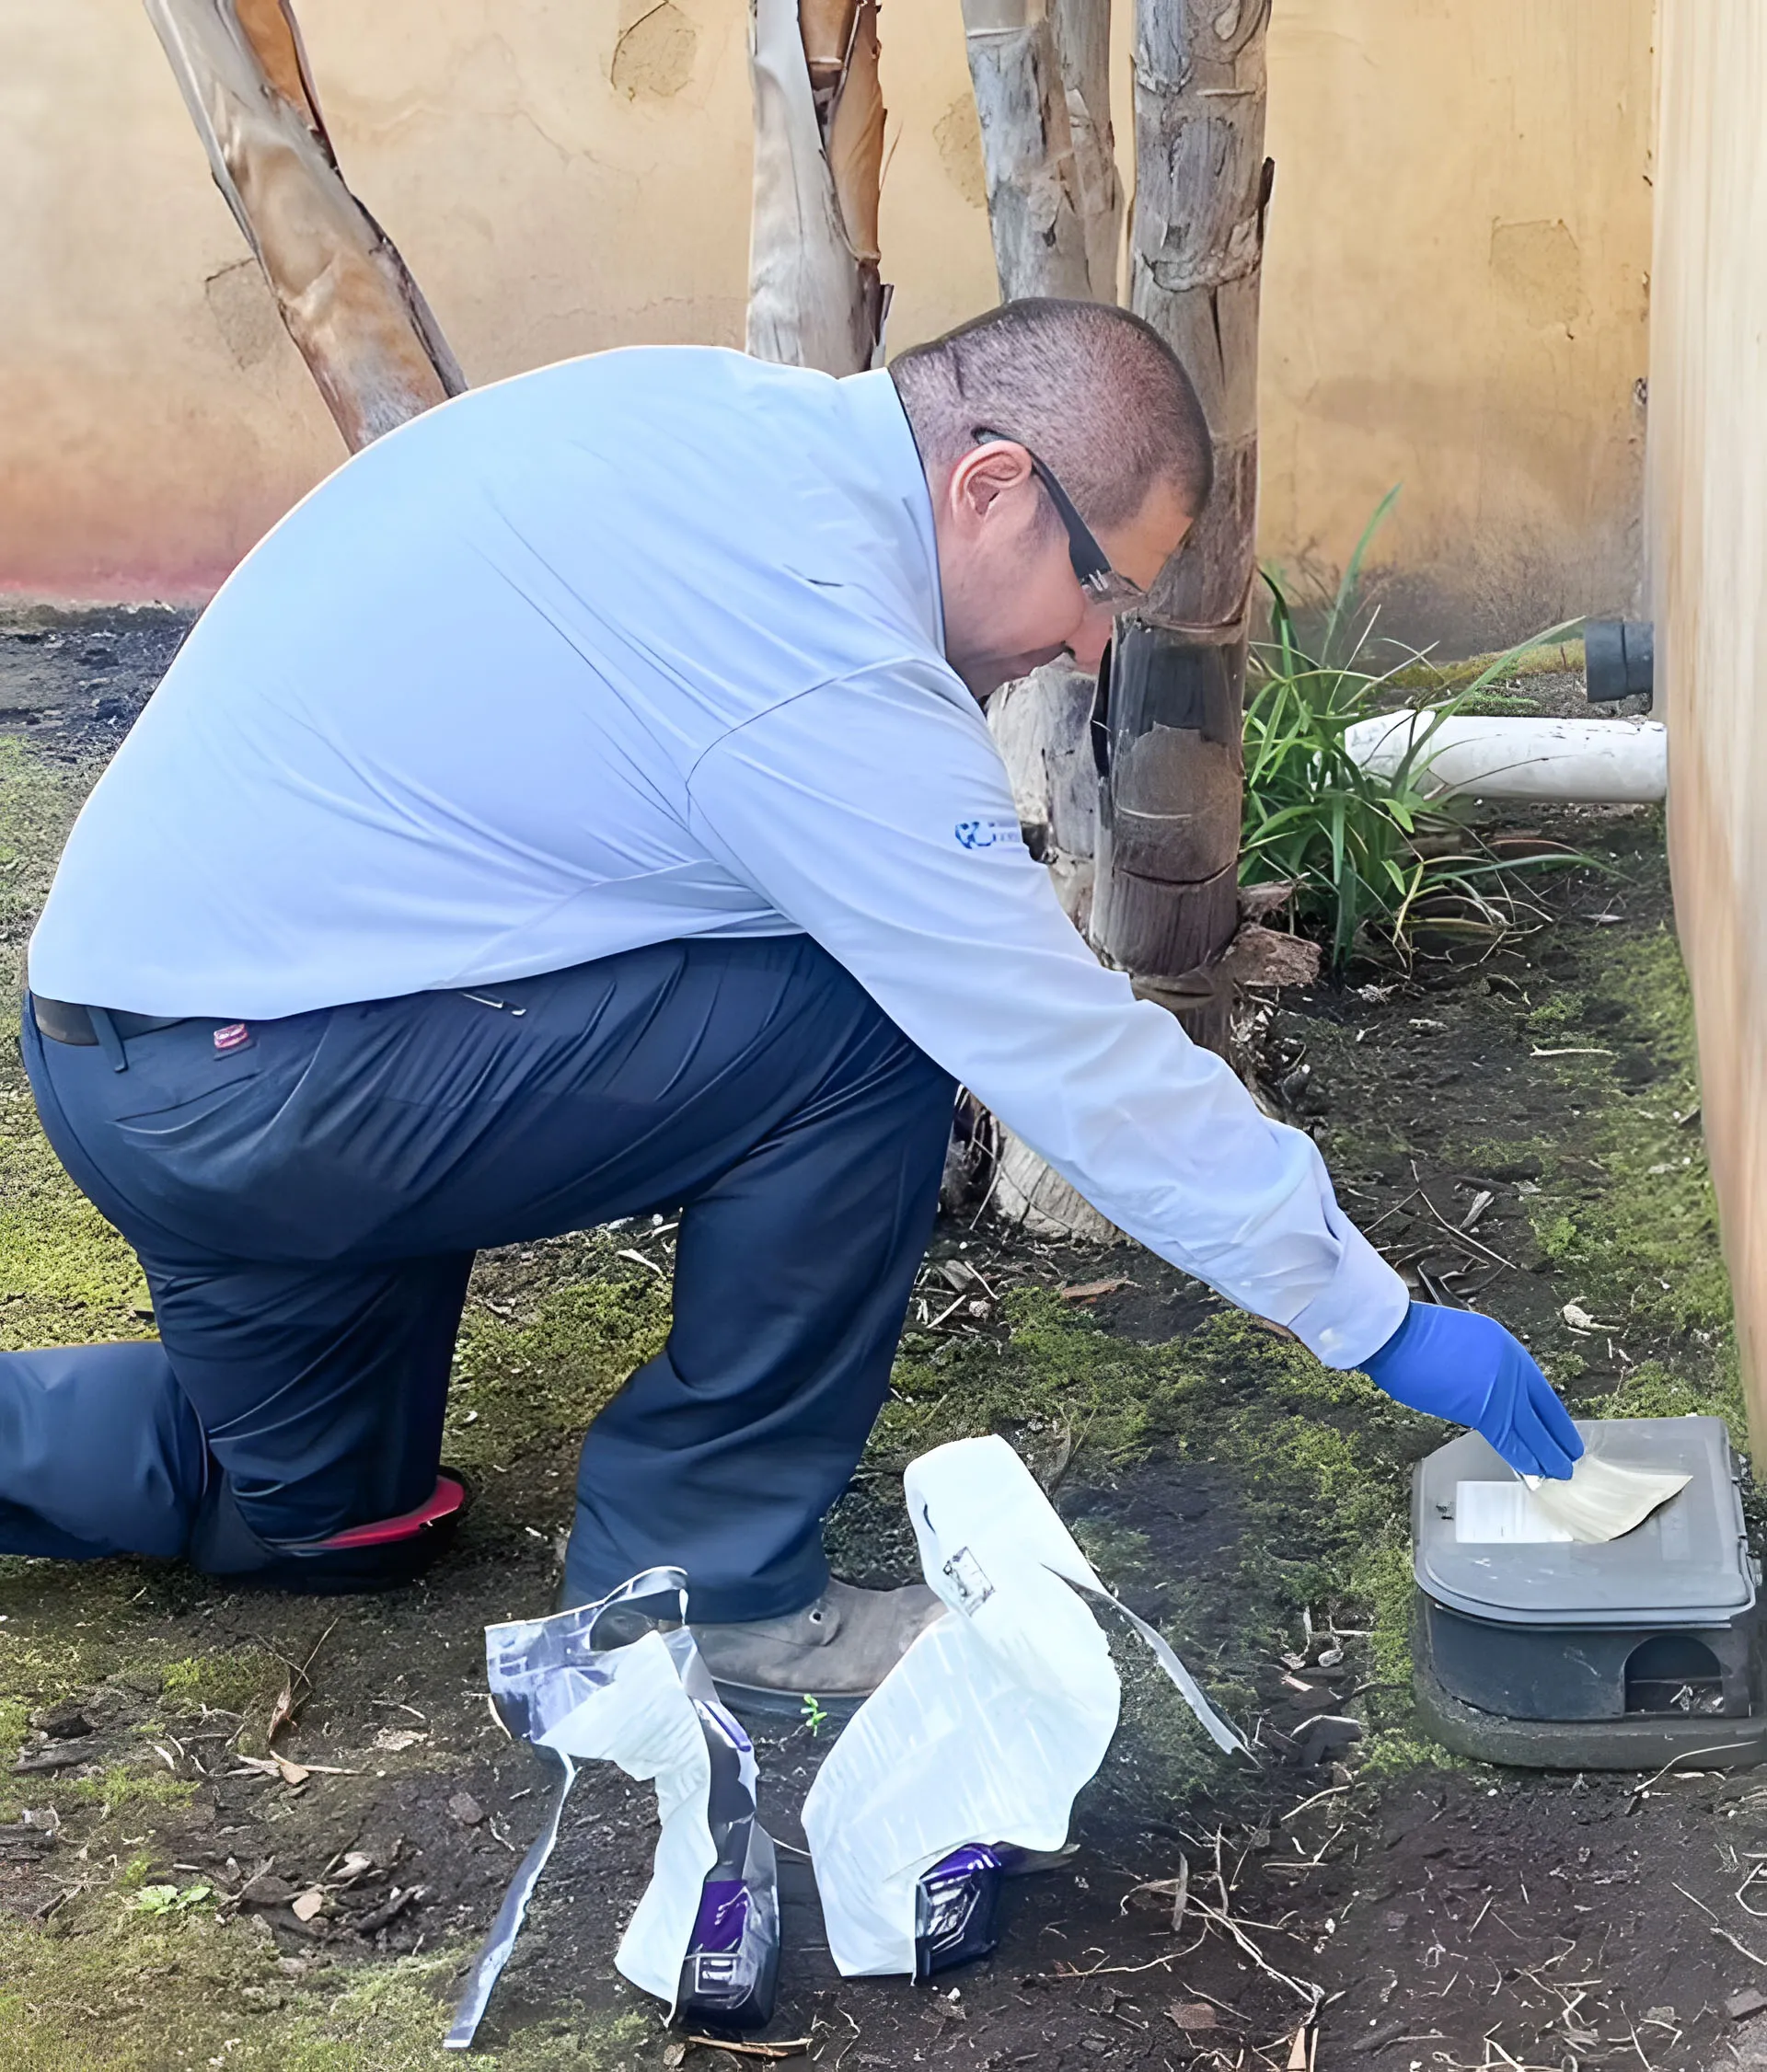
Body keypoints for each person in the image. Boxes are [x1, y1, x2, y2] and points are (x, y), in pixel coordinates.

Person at [5, 299, 1581, 1716]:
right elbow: (1056, 1047)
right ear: (992, 484)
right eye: (1102, 583)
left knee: (326, 1522)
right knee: (866, 1017)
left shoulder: (717, 423)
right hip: (270, 1082)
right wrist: (1375, 1317)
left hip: (154, 1053)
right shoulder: (818, 645)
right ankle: (706, 1587)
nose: (1092, 644)